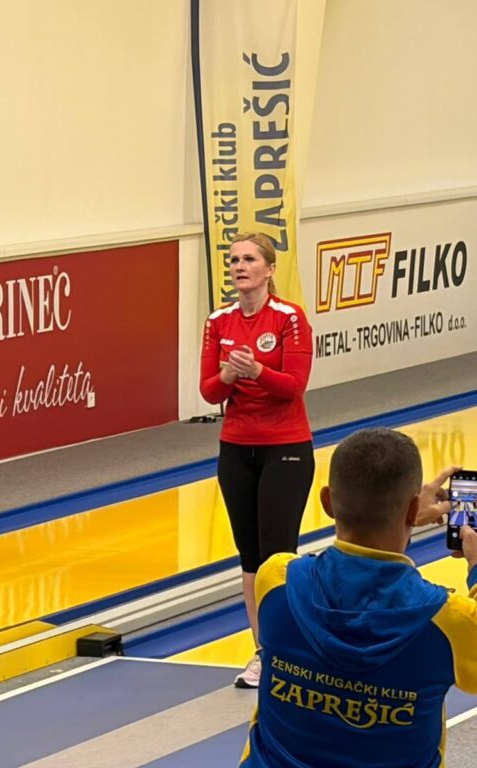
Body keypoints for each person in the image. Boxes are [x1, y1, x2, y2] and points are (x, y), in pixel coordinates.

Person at [241, 428, 474, 767]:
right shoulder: (449, 621)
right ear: (413, 510)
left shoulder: (275, 581)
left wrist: (404, 515)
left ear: (327, 502)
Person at [199, 232, 315, 688]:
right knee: (250, 558)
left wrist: (257, 371)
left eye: (249, 259)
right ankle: (264, 651)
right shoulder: (218, 321)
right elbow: (209, 391)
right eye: (234, 260)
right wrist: (230, 373)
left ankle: (291, 650)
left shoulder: (289, 317)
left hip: (285, 446)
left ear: (269, 269)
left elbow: (294, 385)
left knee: (277, 556)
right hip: (236, 448)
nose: (240, 267)